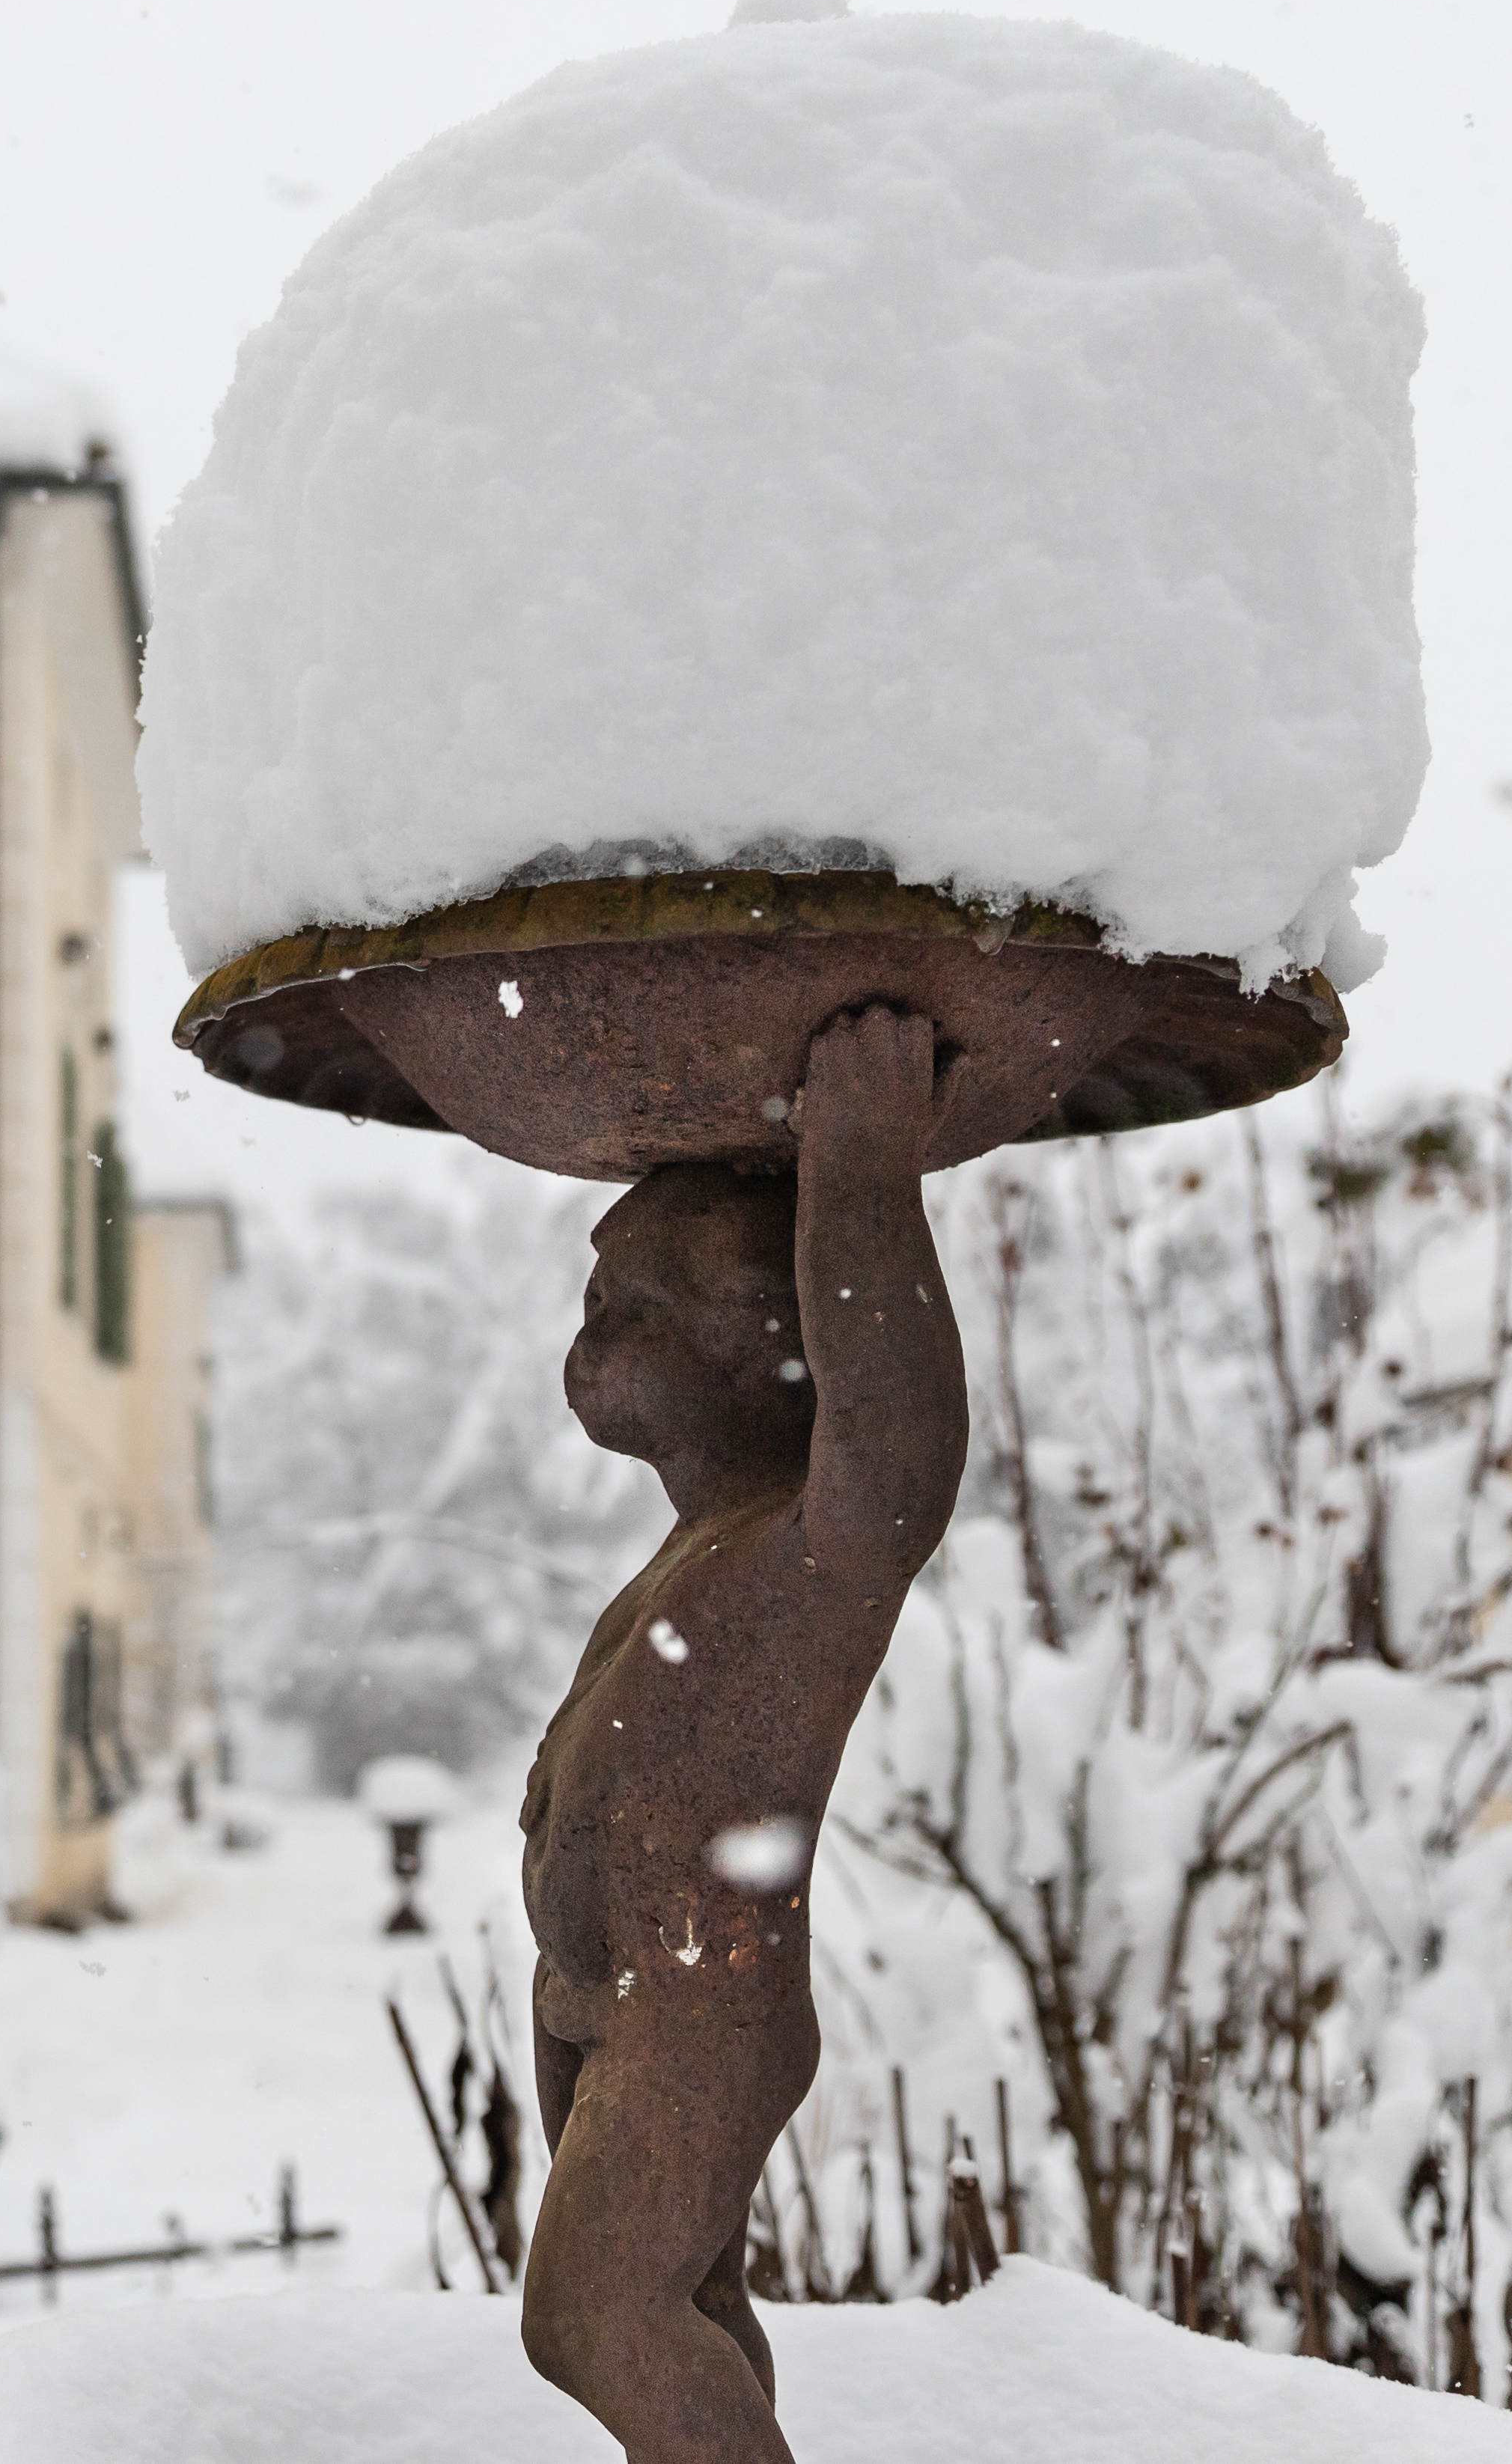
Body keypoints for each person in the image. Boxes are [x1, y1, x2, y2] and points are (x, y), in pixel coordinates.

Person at [513, 1005, 1028, 2462]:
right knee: (686, 2302)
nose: (591, 1332)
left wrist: (861, 1169)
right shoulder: (701, 1540)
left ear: (763, 1344)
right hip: (605, 1991)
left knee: (597, 2318)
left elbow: (898, 1440)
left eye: (633, 1305)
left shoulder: (812, 1551)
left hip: (699, 2008)